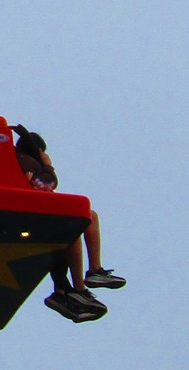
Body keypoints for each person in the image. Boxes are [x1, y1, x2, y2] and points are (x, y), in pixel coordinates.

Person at [14, 124, 123, 322]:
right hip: (31, 216)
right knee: (75, 226)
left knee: (87, 217)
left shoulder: (20, 160)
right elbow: (45, 184)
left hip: (35, 216)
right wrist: (47, 165)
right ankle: (80, 285)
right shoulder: (26, 160)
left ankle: (70, 287)